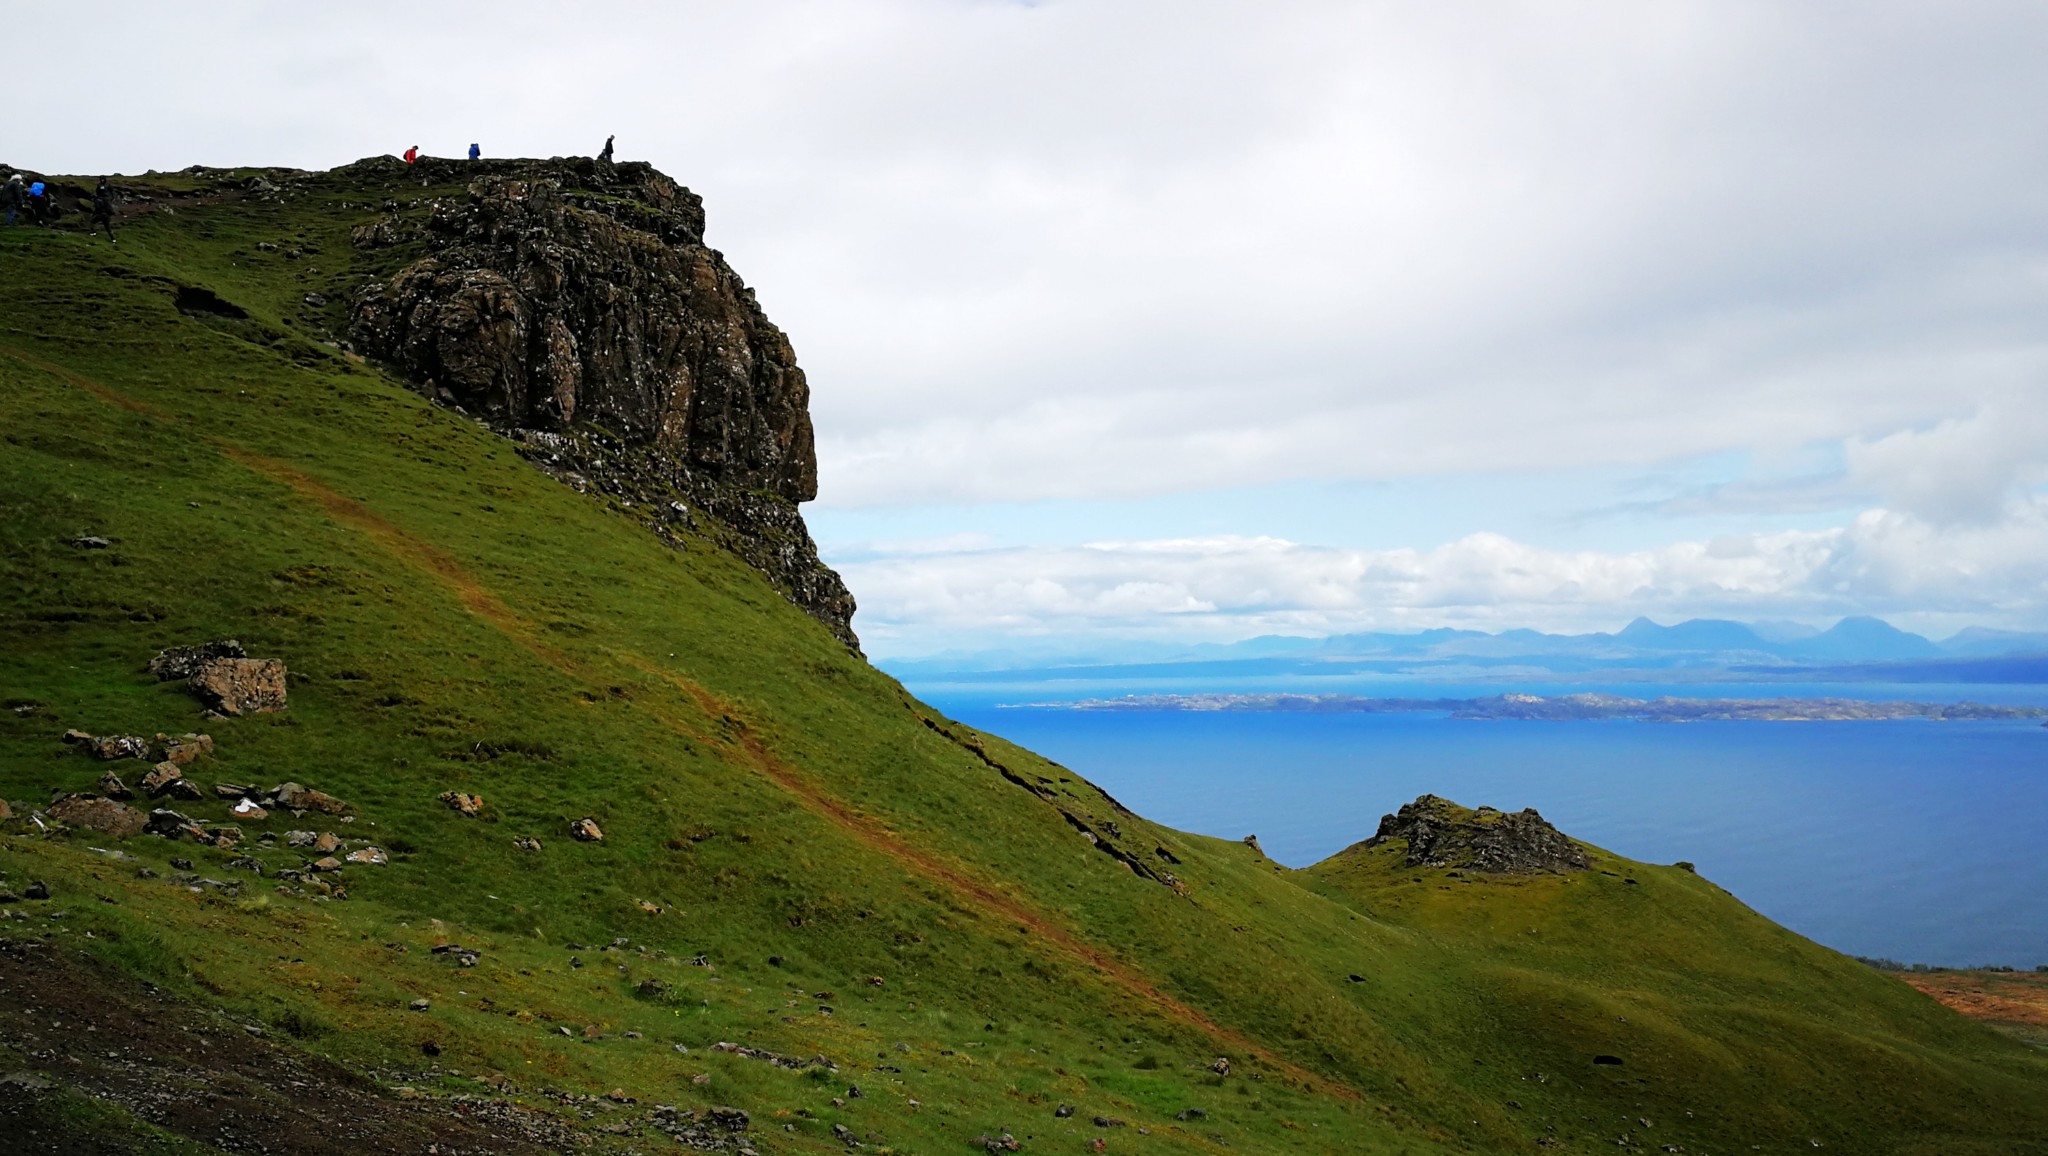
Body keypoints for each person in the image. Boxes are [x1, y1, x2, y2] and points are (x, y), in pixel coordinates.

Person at [89, 177, 117, 243]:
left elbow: (98, 208)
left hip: (102, 212)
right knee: (108, 227)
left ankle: (93, 233)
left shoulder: (107, 186)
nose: (102, 180)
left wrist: (94, 213)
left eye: (103, 179)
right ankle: (113, 239)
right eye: (101, 179)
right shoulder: (99, 186)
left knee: (92, 222)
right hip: (106, 214)